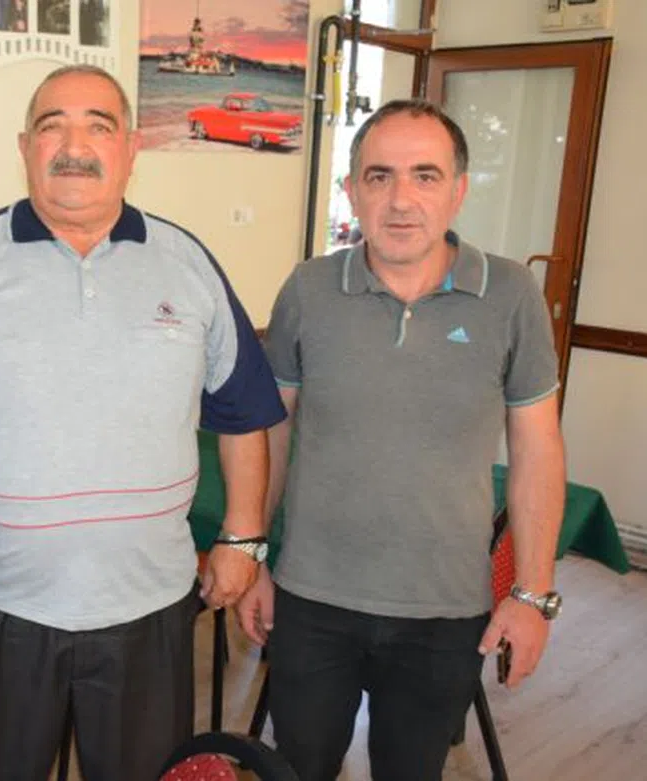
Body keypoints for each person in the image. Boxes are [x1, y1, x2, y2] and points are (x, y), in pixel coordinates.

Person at [0, 64, 286, 781]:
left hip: (149, 610)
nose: (74, 146)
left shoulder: (187, 263)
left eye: (98, 126)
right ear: (24, 147)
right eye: (52, 127)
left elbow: (242, 409)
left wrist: (242, 535)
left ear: (130, 148)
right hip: (0, 607)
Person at [237, 99, 567, 781]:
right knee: (297, 770)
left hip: (444, 612)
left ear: (458, 190)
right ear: (352, 189)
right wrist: (255, 558)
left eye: (425, 175)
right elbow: (274, 431)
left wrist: (533, 594)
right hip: (312, 601)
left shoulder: (510, 295)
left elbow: (537, 451)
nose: (401, 199)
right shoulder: (308, 288)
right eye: (379, 176)